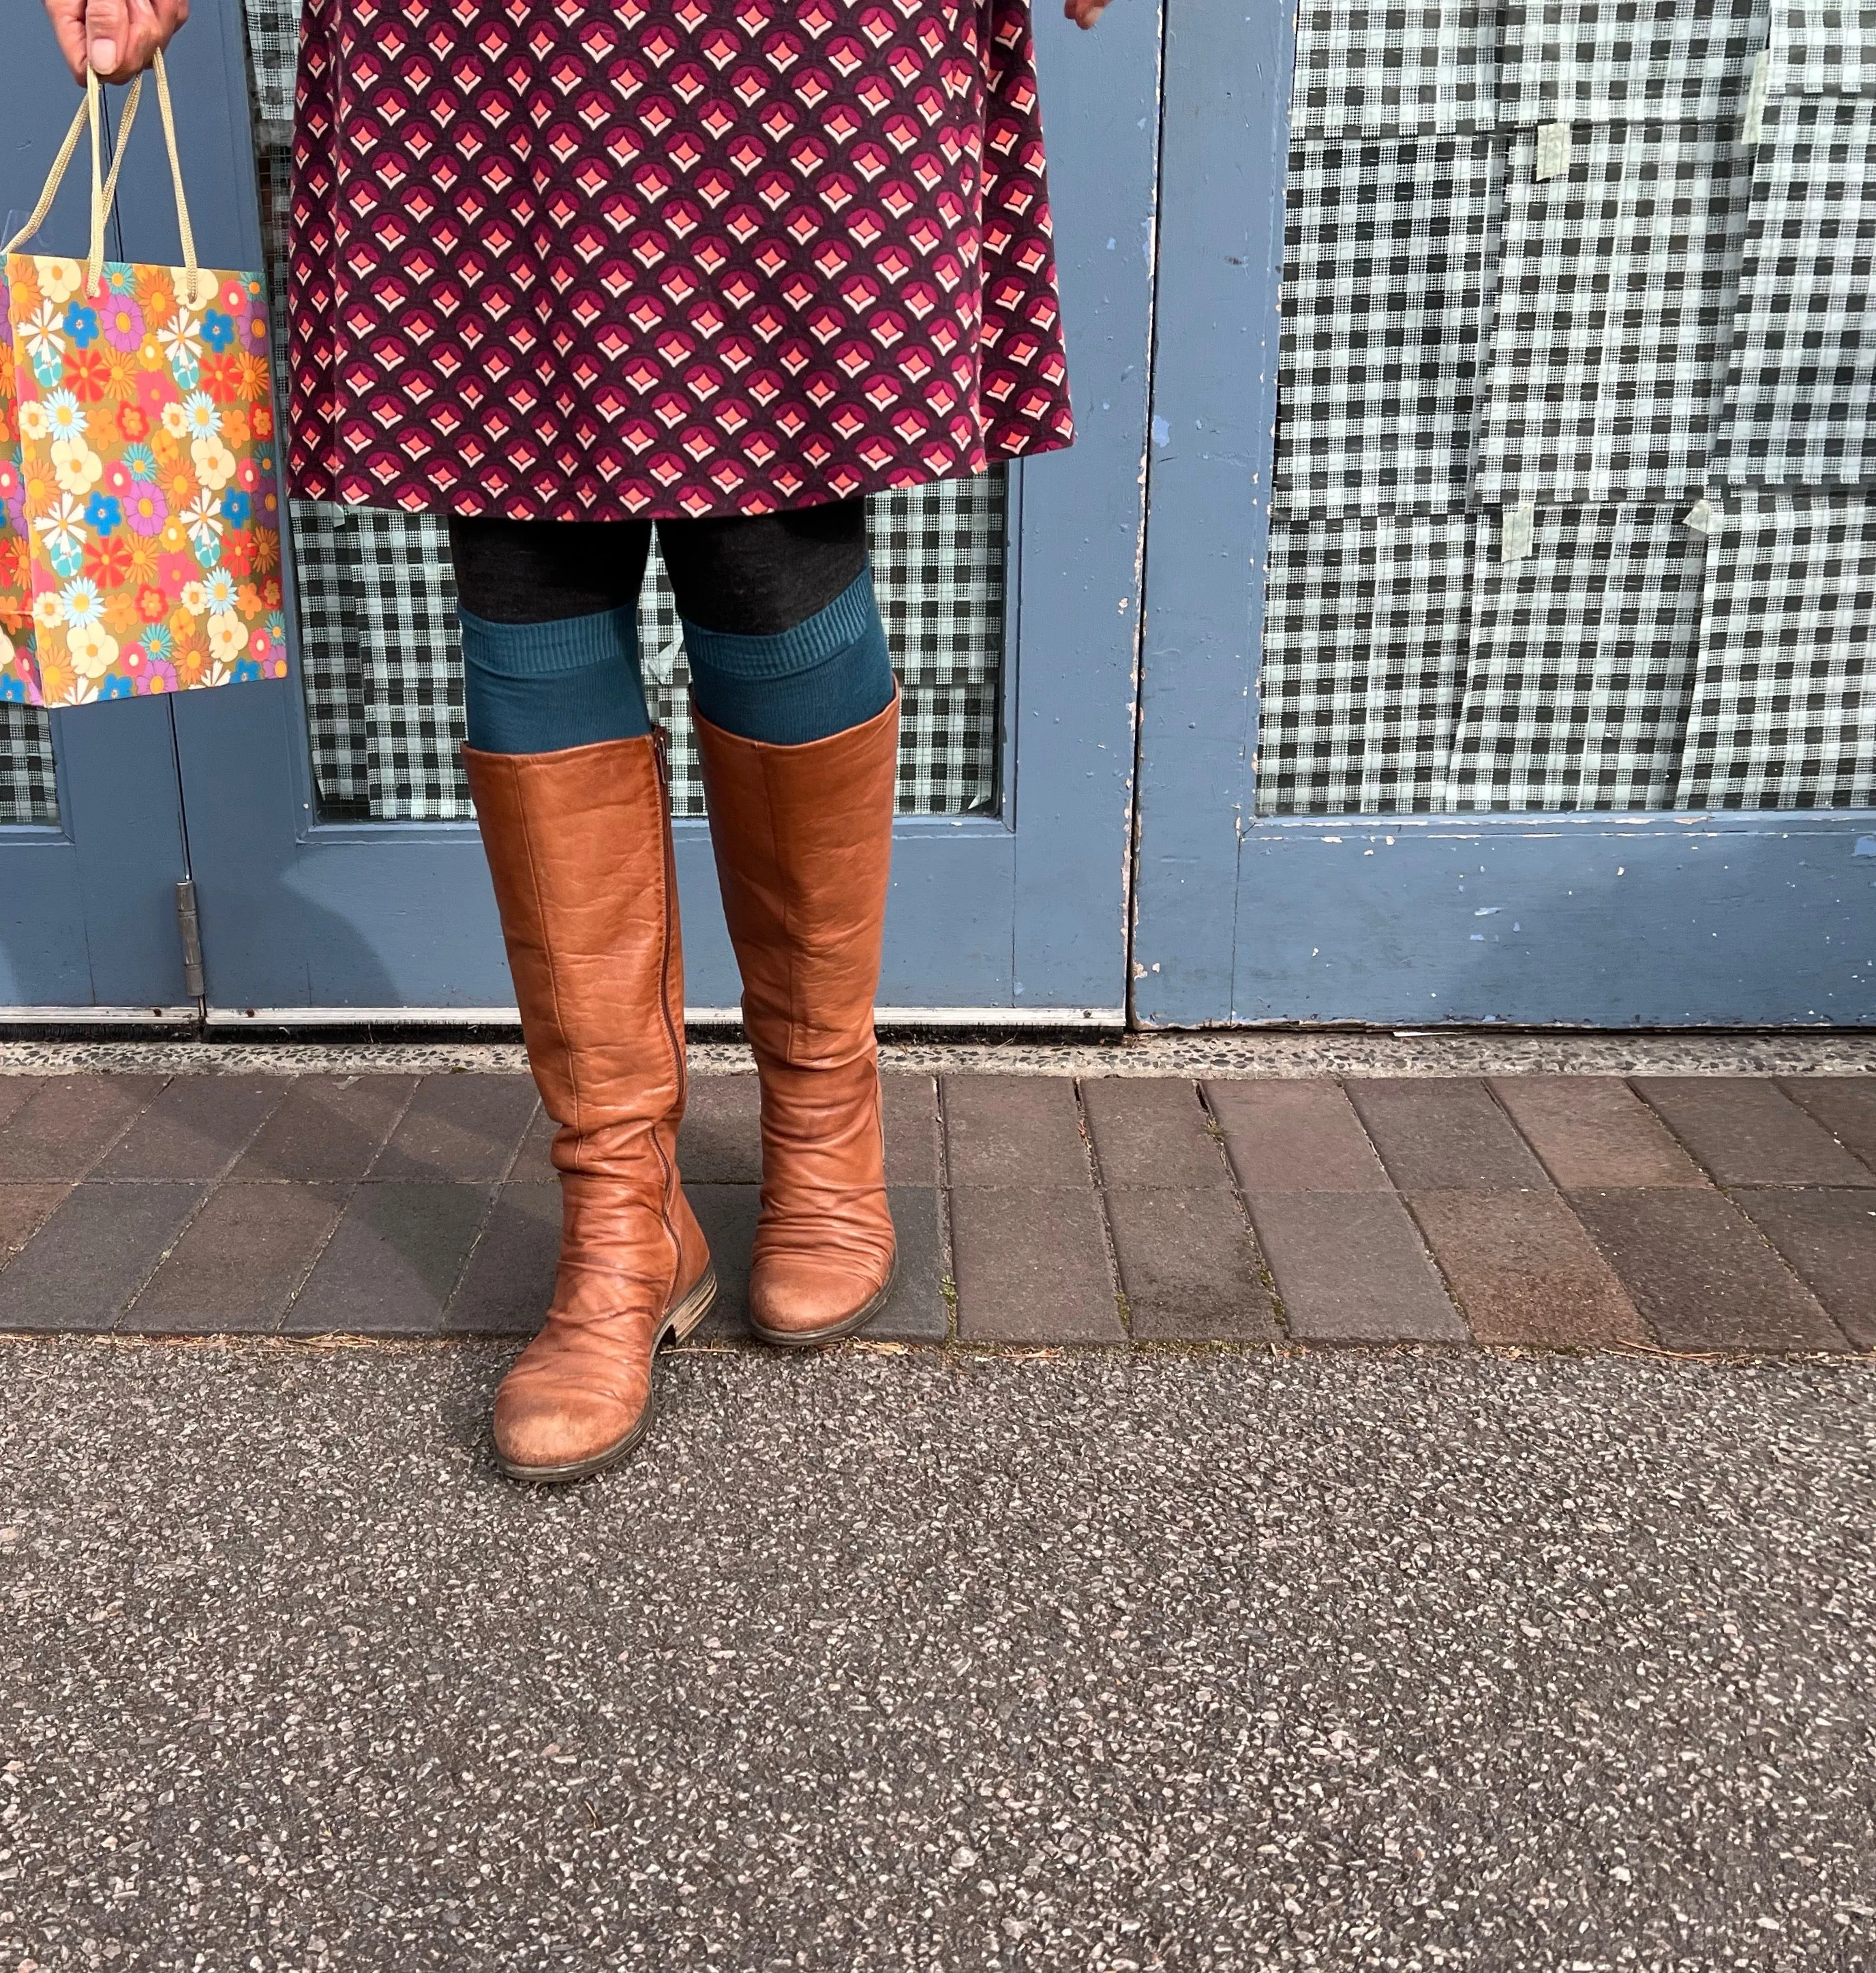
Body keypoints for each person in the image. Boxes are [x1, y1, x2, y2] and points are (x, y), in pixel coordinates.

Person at [43, 0, 1115, 1483]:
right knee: (522, 548)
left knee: (777, 537)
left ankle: (821, 1114)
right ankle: (623, 1207)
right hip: (478, 36)